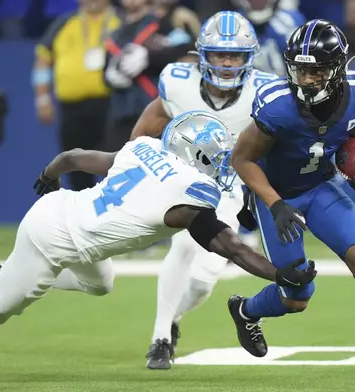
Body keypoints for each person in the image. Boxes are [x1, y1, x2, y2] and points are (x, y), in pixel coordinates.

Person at [0, 111, 316, 384]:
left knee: (102, 284)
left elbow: (73, 156)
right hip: (54, 240)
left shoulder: (146, 148)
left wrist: (48, 174)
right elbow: (235, 250)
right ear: (195, 156)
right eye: (215, 155)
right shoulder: (189, 200)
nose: (222, 162)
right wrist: (280, 275)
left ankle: (11, 273)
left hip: (62, 213)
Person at [229, 20, 355, 391]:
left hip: (319, 187)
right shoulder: (278, 104)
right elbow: (242, 159)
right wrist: (275, 204)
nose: (307, 79)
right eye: (300, 70)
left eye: (316, 70)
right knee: (297, 296)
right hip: (279, 195)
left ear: (338, 69)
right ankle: (246, 310)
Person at [127, 10, 279, 369]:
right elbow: (141, 133)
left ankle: (173, 320)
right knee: (180, 246)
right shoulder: (178, 83)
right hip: (181, 177)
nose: (227, 63)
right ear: (202, 55)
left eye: (236, 56)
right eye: (220, 54)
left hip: (228, 187)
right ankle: (160, 337)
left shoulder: (265, 90)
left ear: (249, 58)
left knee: (204, 281)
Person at [33, 0, 121, 191]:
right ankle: (83, 212)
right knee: (75, 165)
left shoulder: (120, 21)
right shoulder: (63, 23)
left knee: (116, 162)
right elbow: (42, 60)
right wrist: (42, 98)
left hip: (111, 105)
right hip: (73, 109)